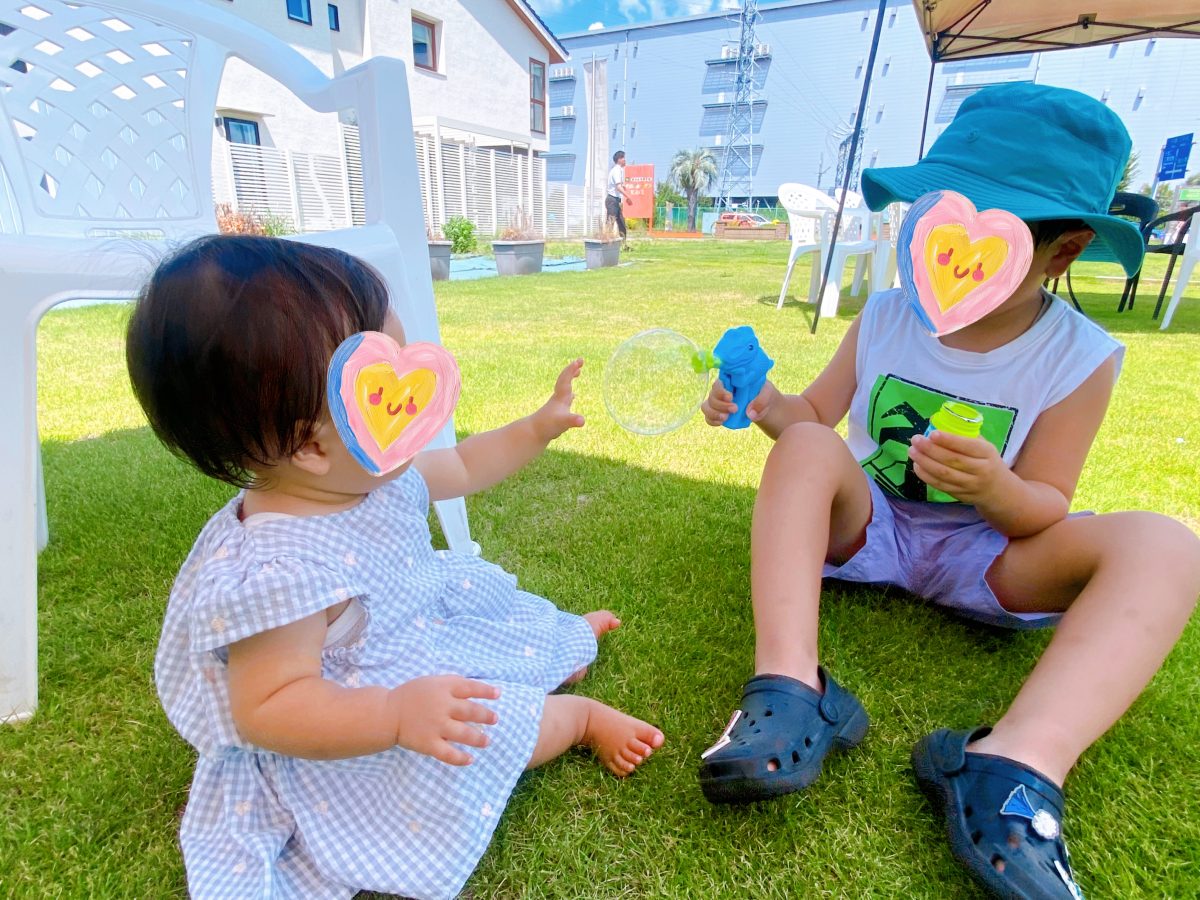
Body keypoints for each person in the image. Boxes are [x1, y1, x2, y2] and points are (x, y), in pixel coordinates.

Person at [696, 83, 1200, 899]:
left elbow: (1048, 503)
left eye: (985, 237)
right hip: (876, 529)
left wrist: (997, 487)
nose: (947, 255)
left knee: (1169, 545)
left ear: (1061, 252)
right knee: (804, 447)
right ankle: (793, 689)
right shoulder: (888, 316)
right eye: (936, 224)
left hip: (992, 553)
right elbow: (813, 422)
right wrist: (756, 399)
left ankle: (1014, 764)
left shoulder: (1080, 356)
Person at [126, 235, 664, 900]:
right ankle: (576, 718)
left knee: (493, 627)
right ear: (309, 444)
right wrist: (393, 715)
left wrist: (536, 427)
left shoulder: (368, 478)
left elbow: (464, 466)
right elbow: (268, 707)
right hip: (350, 719)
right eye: (387, 394)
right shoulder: (279, 570)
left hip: (413, 635)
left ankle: (552, 644)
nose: (416, 402)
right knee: (483, 732)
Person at [606, 150, 630, 240]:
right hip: (612, 200)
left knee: (621, 223)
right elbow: (618, 187)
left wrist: (623, 187)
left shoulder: (619, 170)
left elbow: (620, 185)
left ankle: (623, 245)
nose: (625, 160)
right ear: (619, 159)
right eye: (623, 158)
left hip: (615, 201)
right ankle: (606, 244)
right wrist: (628, 196)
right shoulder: (616, 170)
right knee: (610, 223)